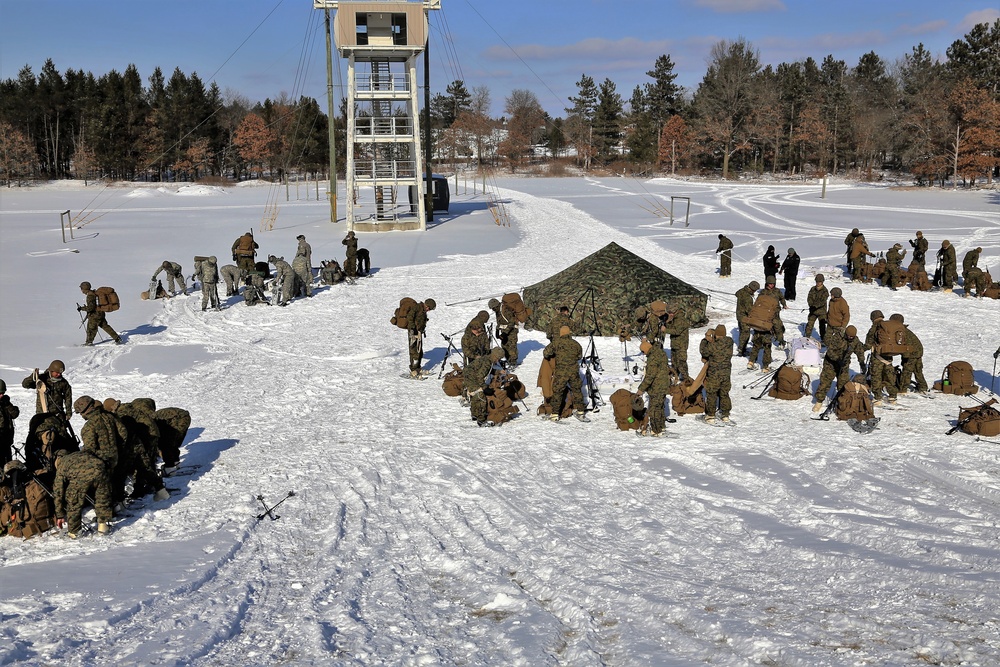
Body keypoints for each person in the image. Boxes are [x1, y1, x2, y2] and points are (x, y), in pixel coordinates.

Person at [52, 448, 112, 538]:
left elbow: (58, 492)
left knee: (73, 501)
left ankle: (74, 532)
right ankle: (103, 526)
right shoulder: (78, 454)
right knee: (101, 497)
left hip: (80, 477)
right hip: (100, 468)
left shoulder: (61, 465)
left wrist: (59, 515)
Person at [812, 325, 865, 412]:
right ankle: (819, 401)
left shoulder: (855, 341)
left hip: (843, 365)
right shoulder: (837, 337)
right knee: (825, 382)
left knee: (843, 384)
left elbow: (860, 351)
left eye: (852, 337)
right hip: (831, 364)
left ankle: (842, 402)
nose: (851, 338)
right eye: (849, 336)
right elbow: (830, 351)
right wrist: (837, 359)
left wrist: (862, 362)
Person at [543, 326, 589, 422]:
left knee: (558, 392)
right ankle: (580, 411)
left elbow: (546, 353)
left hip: (561, 372)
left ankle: (555, 414)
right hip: (573, 371)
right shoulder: (576, 344)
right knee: (577, 390)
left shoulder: (556, 342)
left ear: (561, 333)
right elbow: (579, 356)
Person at [73, 395, 123, 472]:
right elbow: (123, 433)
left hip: (103, 465)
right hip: (117, 458)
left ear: (82, 411)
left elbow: (90, 450)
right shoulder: (109, 416)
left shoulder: (89, 426)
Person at [636, 337, 672, 436]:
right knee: (660, 407)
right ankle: (661, 426)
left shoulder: (652, 359)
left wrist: (641, 389)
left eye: (643, 352)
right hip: (664, 385)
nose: (644, 354)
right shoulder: (661, 353)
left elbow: (650, 376)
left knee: (654, 409)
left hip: (657, 387)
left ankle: (656, 430)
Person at [864, 310, 899, 406]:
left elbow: (868, 344)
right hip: (888, 356)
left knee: (876, 378)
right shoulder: (888, 326)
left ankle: (877, 398)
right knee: (889, 377)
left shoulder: (874, 328)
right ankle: (892, 397)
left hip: (877, 357)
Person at [702, 324, 734, 424]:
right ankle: (725, 414)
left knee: (712, 394)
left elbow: (703, 351)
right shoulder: (729, 342)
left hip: (714, 373)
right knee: (724, 393)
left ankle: (710, 415)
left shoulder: (713, 345)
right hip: (726, 373)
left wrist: (705, 339)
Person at [464, 348, 503, 426]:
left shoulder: (487, 359)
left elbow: (487, 370)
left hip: (469, 375)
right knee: (480, 396)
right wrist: (485, 388)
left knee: (475, 395)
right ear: (496, 357)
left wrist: (498, 372)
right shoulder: (487, 362)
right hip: (471, 378)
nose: (498, 361)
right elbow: (479, 377)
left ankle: (475, 414)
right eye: (499, 359)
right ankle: (481, 420)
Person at [893, 314, 928, 395]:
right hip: (918, 352)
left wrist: (905, 358)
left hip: (912, 353)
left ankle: (902, 389)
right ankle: (923, 387)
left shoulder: (901, 332)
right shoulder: (903, 330)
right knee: (917, 370)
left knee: (907, 371)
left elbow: (906, 345)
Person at [152, 403, 191, 473]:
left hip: (179, 418)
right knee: (172, 442)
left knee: (165, 444)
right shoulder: (153, 419)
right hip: (184, 417)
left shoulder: (151, 422)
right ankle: (175, 461)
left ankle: (170, 468)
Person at [406, 298, 436, 378]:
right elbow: (409, 317)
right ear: (426, 305)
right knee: (414, 351)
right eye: (429, 308)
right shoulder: (417, 307)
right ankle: (413, 370)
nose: (428, 310)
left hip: (419, 333)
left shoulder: (423, 310)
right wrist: (412, 329)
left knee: (419, 351)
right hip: (413, 332)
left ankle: (418, 368)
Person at [662, 303, 691, 381]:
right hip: (675, 344)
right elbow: (672, 327)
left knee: (681, 363)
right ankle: (675, 374)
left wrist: (665, 330)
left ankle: (686, 379)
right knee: (674, 362)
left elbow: (677, 331)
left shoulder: (681, 319)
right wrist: (668, 322)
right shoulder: (674, 318)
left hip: (681, 345)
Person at [489, 298, 520, 367]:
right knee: (504, 345)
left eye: (493, 308)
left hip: (512, 331)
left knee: (511, 346)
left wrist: (505, 333)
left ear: (496, 306)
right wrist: (497, 330)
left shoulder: (506, 310)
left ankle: (513, 362)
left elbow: (511, 322)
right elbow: (500, 322)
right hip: (504, 330)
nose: (493, 310)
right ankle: (508, 360)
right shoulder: (498, 311)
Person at [761, 275, 787, 348]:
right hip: (766, 313)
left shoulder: (777, 291)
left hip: (775, 313)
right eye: (770, 284)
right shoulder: (763, 292)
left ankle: (781, 341)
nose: (772, 285)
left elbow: (781, 298)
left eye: (773, 284)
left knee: (778, 326)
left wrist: (784, 304)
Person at [735, 281, 759, 357]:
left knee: (742, 332)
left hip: (739, 316)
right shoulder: (748, 298)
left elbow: (737, 293)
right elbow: (750, 311)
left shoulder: (742, 291)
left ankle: (741, 348)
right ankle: (742, 350)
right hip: (744, 318)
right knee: (745, 334)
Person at [0, 380, 19, 467]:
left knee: (8, 465)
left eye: (3, 393)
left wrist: (8, 404)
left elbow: (14, 414)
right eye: (0, 393)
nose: (1, 395)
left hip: (6, 440)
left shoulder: (5, 403)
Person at [804, 274, 829, 341]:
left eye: (819, 282)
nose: (818, 283)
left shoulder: (825, 291)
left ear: (822, 282)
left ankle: (823, 339)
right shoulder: (812, 289)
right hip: (813, 311)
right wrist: (811, 306)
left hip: (822, 312)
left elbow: (823, 301)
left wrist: (815, 306)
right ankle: (807, 337)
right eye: (817, 281)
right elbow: (809, 298)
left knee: (822, 326)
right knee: (809, 324)